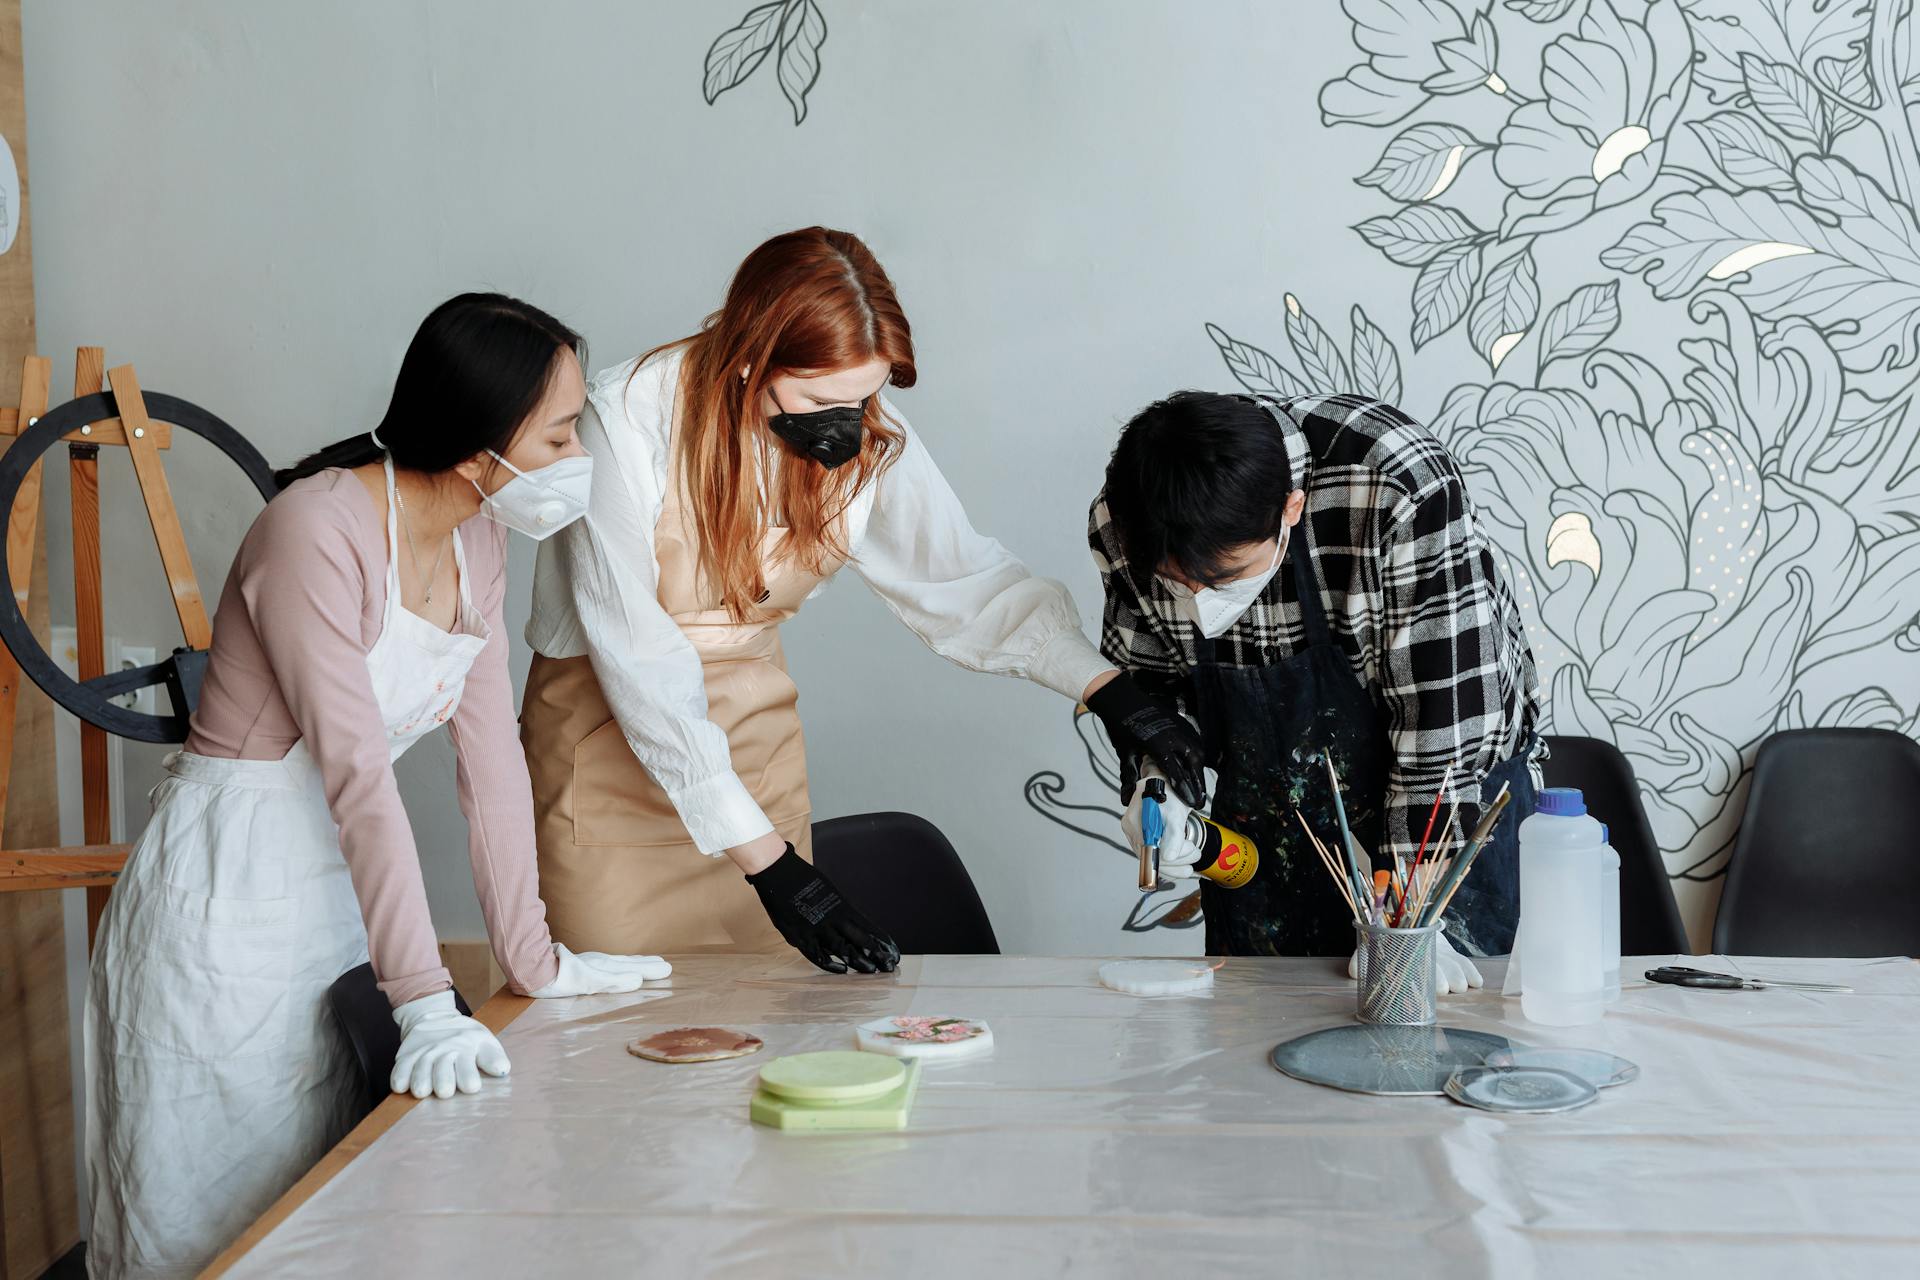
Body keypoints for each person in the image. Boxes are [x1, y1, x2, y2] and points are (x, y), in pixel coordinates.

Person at [85, 294, 671, 1279]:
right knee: (212, 1225)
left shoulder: (480, 537)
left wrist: (535, 958)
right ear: (481, 440)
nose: (580, 457)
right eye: (563, 432)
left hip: (331, 893)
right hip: (226, 903)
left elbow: (489, 762)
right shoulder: (312, 533)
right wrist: (424, 998)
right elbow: (360, 774)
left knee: (324, 1201)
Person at [522, 227, 1200, 974]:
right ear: (752, 354)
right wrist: (773, 868)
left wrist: (1110, 691)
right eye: (818, 398)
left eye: (866, 394)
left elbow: (959, 576)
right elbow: (635, 654)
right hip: (610, 746)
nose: (847, 423)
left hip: (756, 747)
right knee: (616, 1021)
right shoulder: (624, 418)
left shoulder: (862, 423)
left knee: (765, 1017)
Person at [1091, 390, 1544, 987]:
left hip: (1438, 802)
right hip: (1271, 821)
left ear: (1292, 508)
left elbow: (1442, 721)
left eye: (1223, 578)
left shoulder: (1395, 483)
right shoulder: (1128, 518)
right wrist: (1155, 781)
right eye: (1177, 584)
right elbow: (1148, 687)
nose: (1198, 607)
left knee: (1443, 1040)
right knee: (1257, 1041)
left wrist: (1407, 926)